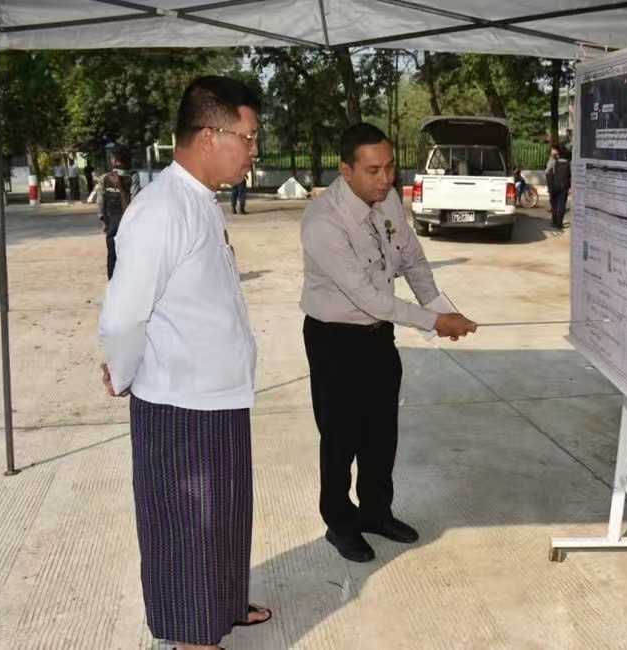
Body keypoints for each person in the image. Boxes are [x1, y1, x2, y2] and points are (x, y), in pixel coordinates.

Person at [98, 76, 271, 650]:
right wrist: (124, 375)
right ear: (209, 135)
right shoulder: (161, 210)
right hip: (181, 406)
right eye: (247, 137)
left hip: (217, 395)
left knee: (225, 521)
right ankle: (195, 638)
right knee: (187, 534)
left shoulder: (200, 201)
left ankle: (224, 605)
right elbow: (123, 318)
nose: (253, 150)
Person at [300, 123, 478, 563]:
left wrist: (439, 308)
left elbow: (412, 258)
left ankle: (376, 513)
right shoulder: (324, 222)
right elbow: (369, 298)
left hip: (379, 337)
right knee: (340, 438)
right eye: (374, 170)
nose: (386, 178)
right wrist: (436, 321)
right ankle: (340, 523)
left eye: (391, 167)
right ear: (346, 171)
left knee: (381, 433)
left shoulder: (388, 199)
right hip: (335, 341)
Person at [97, 145, 142, 280]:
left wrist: (103, 220)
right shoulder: (133, 176)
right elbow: (135, 200)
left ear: (115, 160)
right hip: (128, 223)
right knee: (128, 256)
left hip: (112, 222)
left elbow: (100, 202)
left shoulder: (104, 178)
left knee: (112, 255)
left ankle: (112, 283)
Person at [545, 145, 572, 229]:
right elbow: (571, 176)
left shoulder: (554, 161)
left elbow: (547, 171)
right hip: (565, 186)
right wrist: (571, 187)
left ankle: (554, 221)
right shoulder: (569, 163)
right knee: (562, 205)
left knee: (554, 204)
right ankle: (559, 224)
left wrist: (552, 157)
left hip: (555, 185)